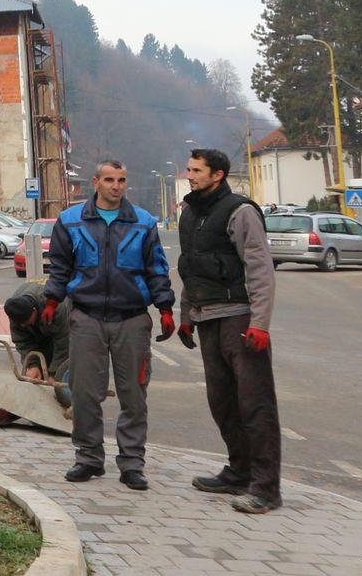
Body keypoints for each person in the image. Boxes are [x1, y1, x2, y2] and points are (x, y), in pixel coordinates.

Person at [41, 158, 174, 491]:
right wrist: (52, 301)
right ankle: (88, 458)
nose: (117, 186)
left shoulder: (143, 223)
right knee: (85, 395)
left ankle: (132, 464)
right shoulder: (70, 221)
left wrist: (166, 308)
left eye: (123, 180)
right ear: (96, 182)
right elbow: (59, 267)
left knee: (134, 396)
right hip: (86, 318)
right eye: (111, 180)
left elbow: (156, 269)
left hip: (131, 320)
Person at [176, 148, 281, 514]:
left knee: (255, 404)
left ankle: (266, 489)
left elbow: (260, 269)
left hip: (240, 318)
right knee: (221, 401)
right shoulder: (189, 213)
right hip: (206, 318)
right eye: (188, 169)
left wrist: (260, 324)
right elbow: (190, 268)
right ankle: (239, 472)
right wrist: (185, 313)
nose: (189, 175)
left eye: (196, 170)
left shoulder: (241, 211)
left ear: (217, 174)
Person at [3, 279, 70, 394]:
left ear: (34, 310)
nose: (24, 325)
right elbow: (23, 342)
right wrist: (33, 365)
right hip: (41, 331)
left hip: (68, 322)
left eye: (26, 321)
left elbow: (63, 343)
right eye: (21, 323)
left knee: (62, 374)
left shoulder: (56, 307)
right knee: (38, 378)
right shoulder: (15, 312)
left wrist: (54, 373)